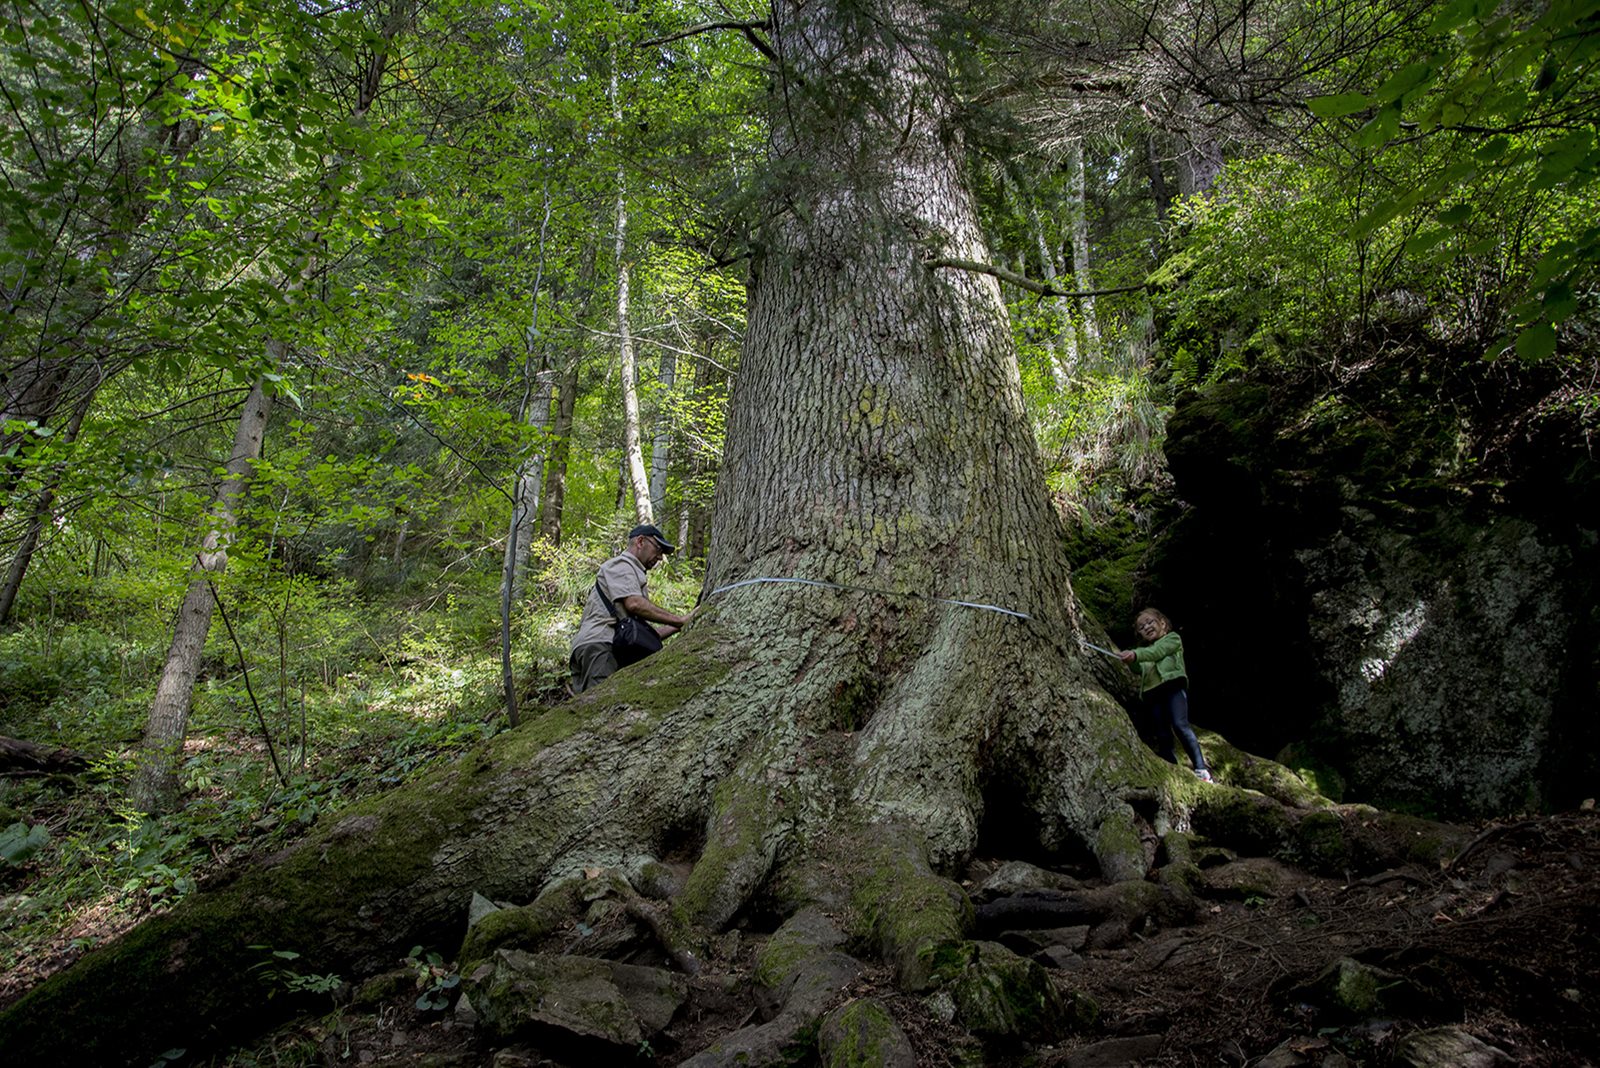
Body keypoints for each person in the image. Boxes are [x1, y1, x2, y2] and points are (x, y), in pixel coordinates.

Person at [568, 524, 692, 694]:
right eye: (658, 549)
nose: (660, 557)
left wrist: (680, 625)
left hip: (597, 646)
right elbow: (634, 603)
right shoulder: (622, 565)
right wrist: (679, 619)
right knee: (601, 706)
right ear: (641, 541)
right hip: (600, 646)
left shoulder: (630, 573)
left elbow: (641, 634)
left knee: (589, 709)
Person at [1119, 608, 1211, 782]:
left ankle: (1201, 769)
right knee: (1161, 732)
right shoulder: (1143, 650)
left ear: (1162, 623)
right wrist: (1130, 660)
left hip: (1173, 687)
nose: (1146, 627)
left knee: (1180, 725)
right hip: (1152, 694)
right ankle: (1171, 769)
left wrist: (1136, 654)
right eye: (1141, 627)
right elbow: (1140, 668)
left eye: (1150, 622)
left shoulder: (1172, 639)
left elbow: (1158, 652)